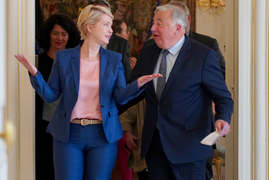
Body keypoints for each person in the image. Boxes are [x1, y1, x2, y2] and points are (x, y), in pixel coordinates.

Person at [15, 5, 161, 179]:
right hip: (68, 134)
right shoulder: (64, 57)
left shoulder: (114, 60)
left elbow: (120, 97)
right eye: (106, 24)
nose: (110, 30)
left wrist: (137, 84)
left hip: (103, 135)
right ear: (90, 27)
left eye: (111, 25)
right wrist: (35, 74)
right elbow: (50, 95)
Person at [123, 4, 233, 180]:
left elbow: (223, 97)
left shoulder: (203, 55)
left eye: (159, 23)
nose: (152, 28)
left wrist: (222, 118)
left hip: (189, 146)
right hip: (155, 146)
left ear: (178, 28)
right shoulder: (148, 51)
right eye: (153, 23)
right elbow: (136, 90)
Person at [35, 13, 80, 180]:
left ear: (70, 37)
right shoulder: (37, 62)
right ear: (48, 35)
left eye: (64, 34)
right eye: (55, 33)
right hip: (43, 127)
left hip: (70, 127)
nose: (59, 38)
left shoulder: (75, 62)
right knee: (45, 170)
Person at [110, 19, 136, 180]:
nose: (128, 34)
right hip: (117, 111)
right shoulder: (120, 50)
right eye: (125, 31)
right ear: (117, 34)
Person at [89, 0, 132, 83]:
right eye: (96, 14)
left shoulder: (121, 44)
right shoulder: (78, 41)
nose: (100, 18)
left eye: (104, 13)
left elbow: (126, 77)